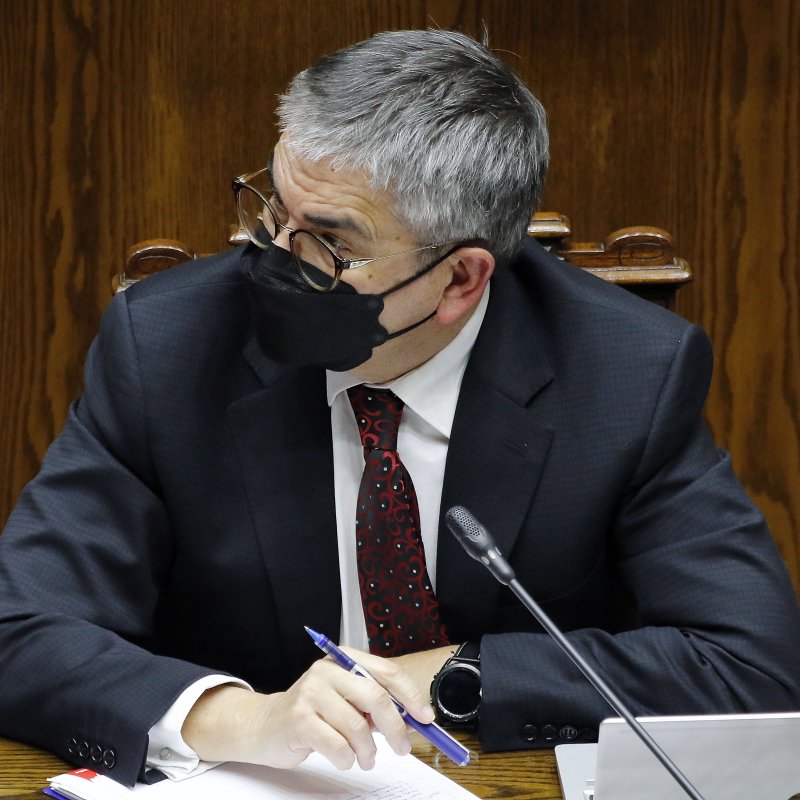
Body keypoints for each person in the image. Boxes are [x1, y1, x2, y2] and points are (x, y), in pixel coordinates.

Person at [1, 28, 799, 789]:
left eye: (332, 245)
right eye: (273, 212)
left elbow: (752, 665)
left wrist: (457, 674)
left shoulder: (627, 374)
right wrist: (243, 716)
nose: (275, 263)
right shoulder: (171, 347)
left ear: (461, 279)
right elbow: (18, 628)